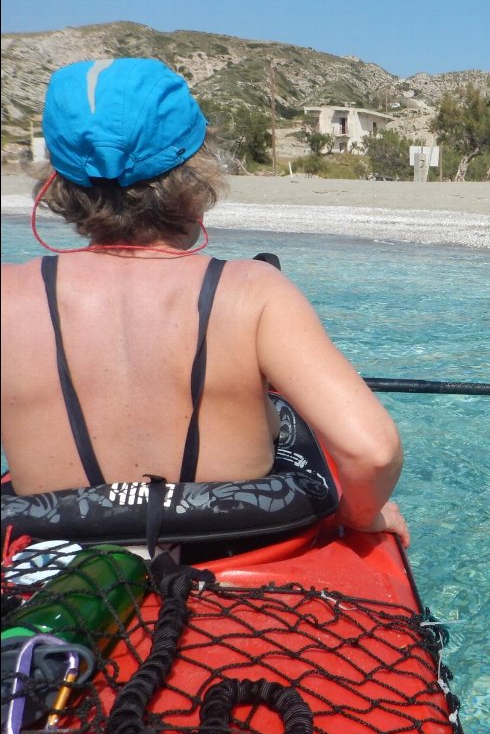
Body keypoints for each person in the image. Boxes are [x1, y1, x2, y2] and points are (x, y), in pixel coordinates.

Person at [0, 57, 409, 547]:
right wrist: (363, 517)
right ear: (194, 176)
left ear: (58, 183)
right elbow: (373, 453)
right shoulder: (254, 291)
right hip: (245, 556)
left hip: (52, 561)